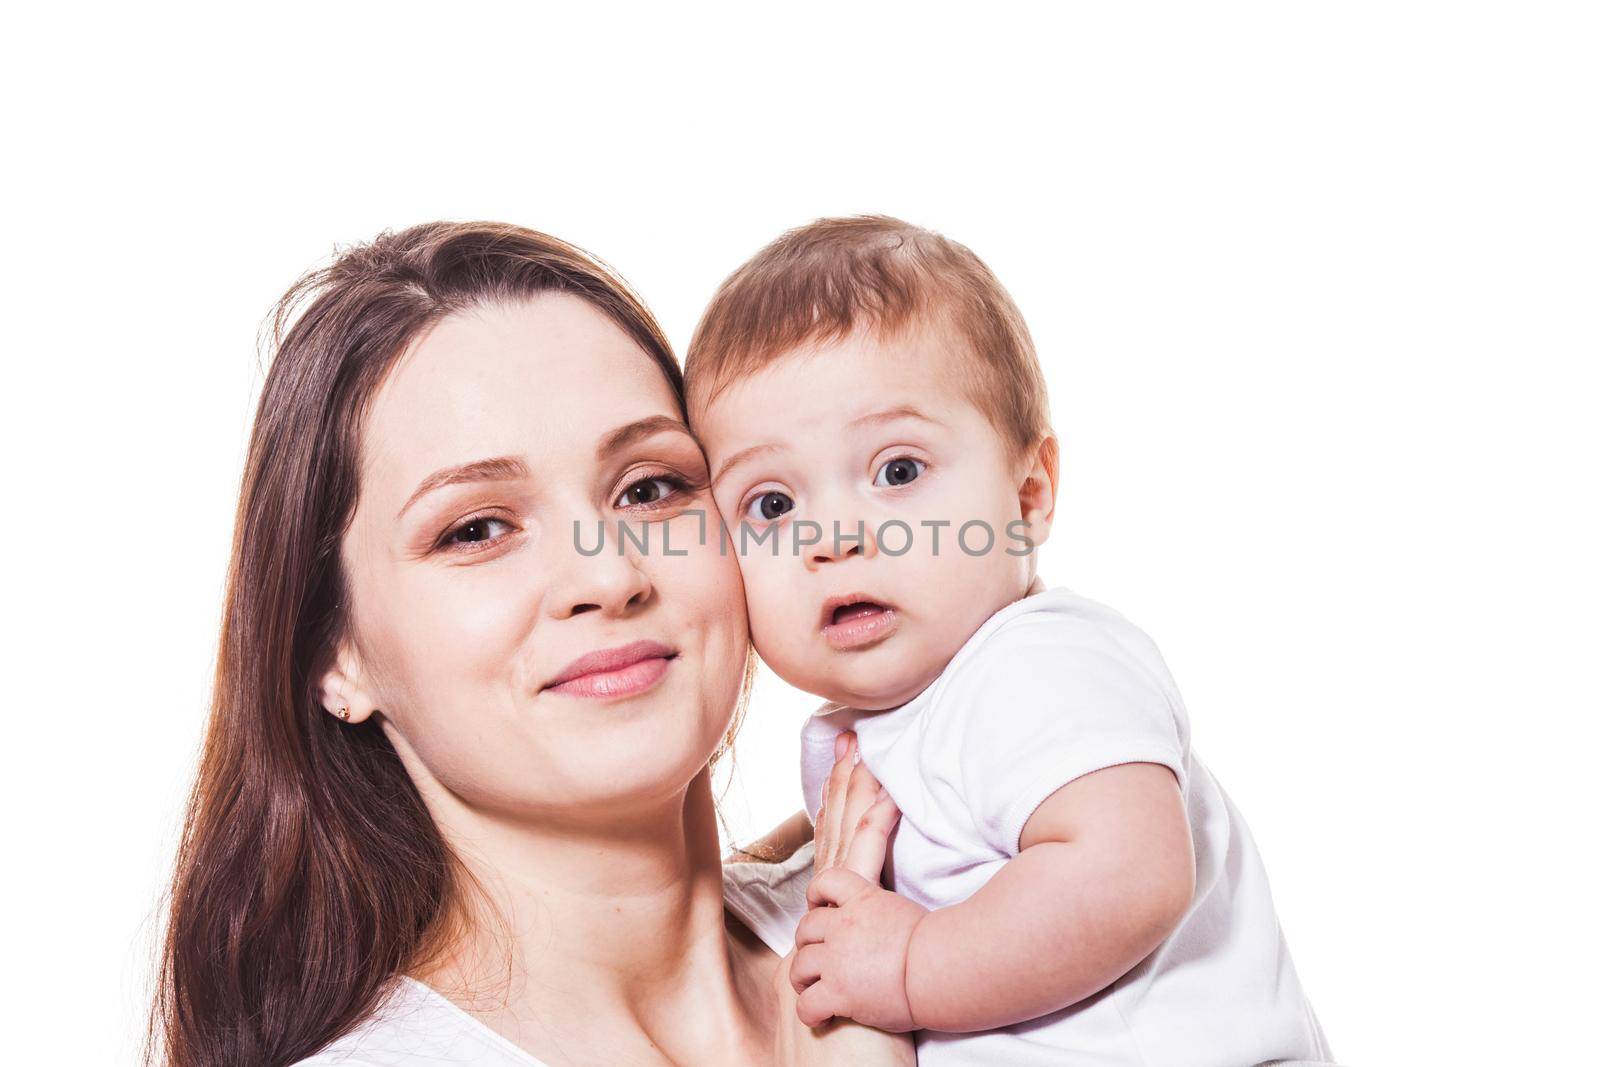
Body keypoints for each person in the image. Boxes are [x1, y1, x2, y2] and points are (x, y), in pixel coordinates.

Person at [149, 221, 913, 1067]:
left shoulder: (953, 910)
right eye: (476, 528)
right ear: (334, 654)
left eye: (650, 487)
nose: (608, 574)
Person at [684, 215, 1336, 1065]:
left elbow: (1129, 872)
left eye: (897, 471)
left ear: (1026, 499)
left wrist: (912, 965)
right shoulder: (916, 714)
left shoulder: (1038, 666)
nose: (832, 536)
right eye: (772, 505)